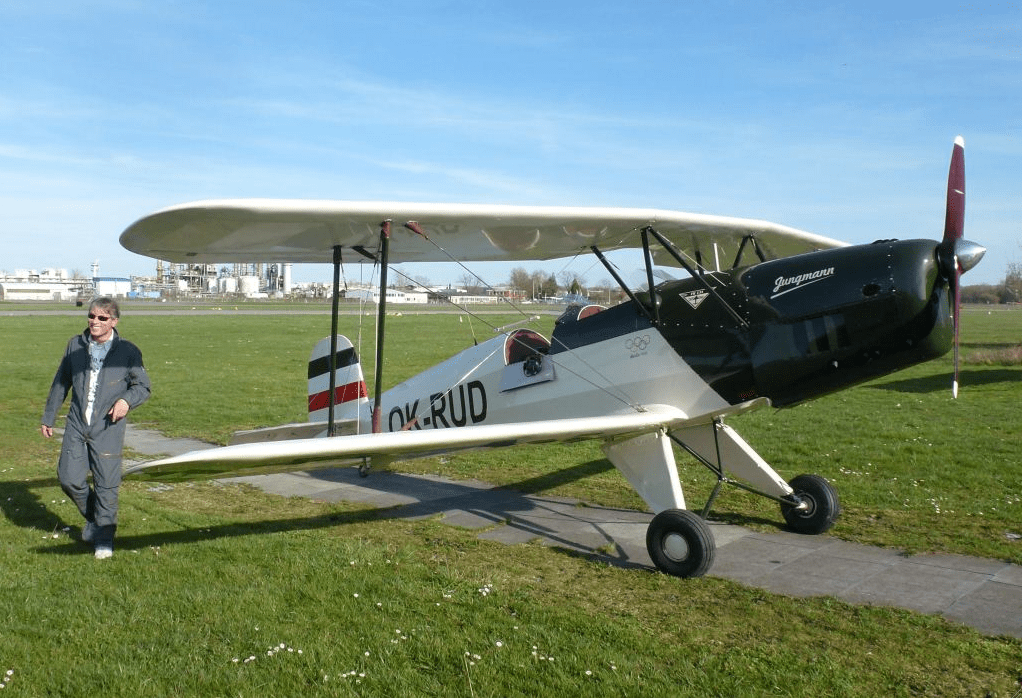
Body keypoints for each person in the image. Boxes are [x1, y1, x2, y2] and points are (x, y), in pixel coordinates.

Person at [41, 297, 151, 559]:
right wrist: (48, 417)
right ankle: (96, 519)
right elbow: (61, 382)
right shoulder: (75, 346)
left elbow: (143, 387)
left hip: (108, 426)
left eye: (102, 318)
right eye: (91, 316)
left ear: (114, 321)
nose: (95, 322)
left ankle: (104, 539)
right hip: (77, 423)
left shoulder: (128, 351)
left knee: (106, 484)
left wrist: (126, 401)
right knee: (68, 478)